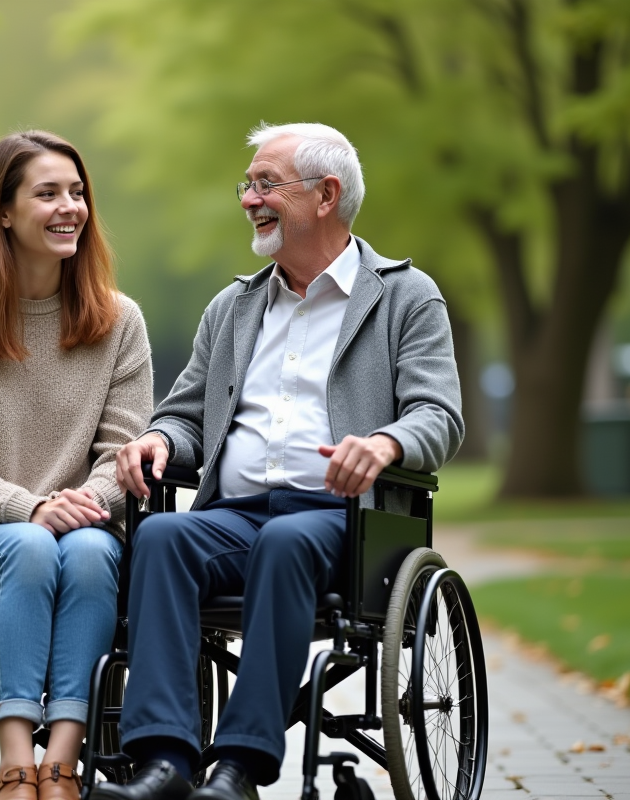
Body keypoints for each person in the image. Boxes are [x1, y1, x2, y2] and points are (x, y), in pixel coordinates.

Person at [93, 122, 464, 800]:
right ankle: (163, 762)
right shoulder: (232, 307)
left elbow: (438, 415)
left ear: (326, 195)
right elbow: (184, 415)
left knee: (286, 541)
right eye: (247, 185)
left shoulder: (405, 297)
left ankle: (238, 767)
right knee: (163, 535)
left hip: (345, 520)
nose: (249, 199)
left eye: (267, 184)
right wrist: (161, 441)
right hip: (236, 516)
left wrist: (384, 445)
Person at [0, 131, 153, 800]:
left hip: (87, 527)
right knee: (30, 546)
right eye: (47, 193)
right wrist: (31, 508)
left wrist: (80, 507)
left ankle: (62, 763)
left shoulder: (119, 320)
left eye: (77, 192)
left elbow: (122, 449)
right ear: (3, 212)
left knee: (90, 554)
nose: (69, 207)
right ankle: (15, 762)